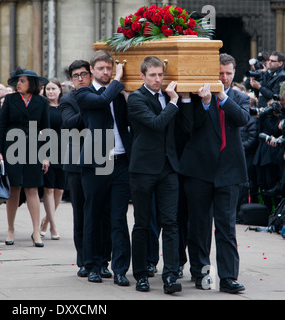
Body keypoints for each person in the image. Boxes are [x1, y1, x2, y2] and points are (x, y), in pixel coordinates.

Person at [179, 53, 250, 293]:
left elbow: (242, 119)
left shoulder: (240, 97)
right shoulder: (200, 96)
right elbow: (190, 126)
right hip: (199, 170)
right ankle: (200, 271)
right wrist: (207, 102)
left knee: (226, 226)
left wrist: (222, 97)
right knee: (198, 225)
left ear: (234, 74)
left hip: (229, 172)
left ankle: (228, 277)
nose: (225, 77)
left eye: (229, 73)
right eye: (220, 73)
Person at [127, 56, 192, 294]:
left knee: (171, 223)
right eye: (153, 75)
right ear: (143, 75)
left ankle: (171, 275)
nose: (157, 79)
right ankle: (142, 274)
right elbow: (155, 124)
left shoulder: (168, 95)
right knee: (143, 224)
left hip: (168, 169)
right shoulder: (136, 98)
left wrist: (183, 100)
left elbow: (185, 128)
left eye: (160, 75)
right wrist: (174, 103)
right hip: (143, 169)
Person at [74, 50, 132, 286]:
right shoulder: (84, 93)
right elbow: (101, 101)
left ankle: (119, 269)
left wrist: (126, 93)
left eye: (110, 68)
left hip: (120, 162)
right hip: (95, 164)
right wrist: (118, 81)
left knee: (118, 218)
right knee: (93, 216)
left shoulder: (117, 94)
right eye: (101, 69)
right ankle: (93, 265)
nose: (106, 72)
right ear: (92, 71)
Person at [59, 59, 111, 278]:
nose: (80, 79)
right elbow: (70, 123)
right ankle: (84, 260)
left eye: (83, 74)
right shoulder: (69, 99)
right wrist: (91, 106)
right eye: (75, 76)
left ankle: (103, 260)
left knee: (104, 214)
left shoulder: (102, 95)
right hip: (77, 163)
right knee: (81, 213)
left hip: (102, 159)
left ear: (90, 75)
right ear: (71, 81)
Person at [0, 67, 50, 247]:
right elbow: (1, 127)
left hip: (34, 148)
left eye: (23, 81)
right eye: (18, 80)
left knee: (32, 189)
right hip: (12, 147)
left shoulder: (42, 102)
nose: (19, 83)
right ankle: (10, 229)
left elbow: (46, 130)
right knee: (14, 189)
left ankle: (36, 231)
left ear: (32, 84)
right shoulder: (10, 100)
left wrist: (46, 155)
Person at [40, 78, 66, 240]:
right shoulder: (43, 108)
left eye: (53, 89)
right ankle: (53, 227)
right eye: (48, 89)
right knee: (48, 189)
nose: (50, 92)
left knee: (60, 190)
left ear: (59, 91)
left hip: (63, 150)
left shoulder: (66, 107)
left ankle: (46, 220)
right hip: (47, 150)